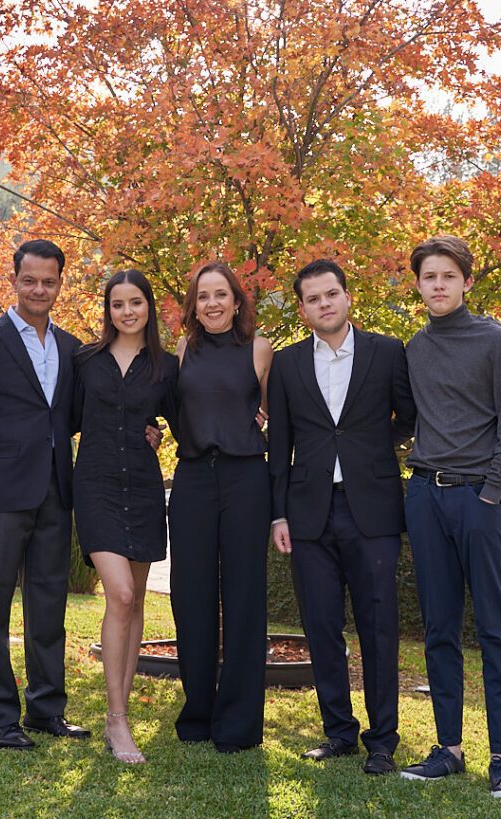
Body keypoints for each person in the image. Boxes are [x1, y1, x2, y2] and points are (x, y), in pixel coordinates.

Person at [268, 259, 416, 775]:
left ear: (347, 297)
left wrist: (371, 450)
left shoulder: (388, 351)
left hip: (370, 508)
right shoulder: (286, 366)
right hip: (308, 514)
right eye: (313, 299)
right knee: (321, 626)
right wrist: (278, 514)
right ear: (304, 309)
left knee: (379, 626)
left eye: (331, 294)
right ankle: (338, 733)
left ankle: (382, 740)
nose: (324, 304)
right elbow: (279, 445)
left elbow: (408, 417)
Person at [400, 235, 501, 799]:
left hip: (482, 500)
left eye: (448, 276)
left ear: (466, 282)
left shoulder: (494, 340)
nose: (438, 285)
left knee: (496, 631)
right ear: (418, 285)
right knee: (438, 629)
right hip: (427, 497)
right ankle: (449, 748)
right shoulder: (413, 348)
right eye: (428, 277)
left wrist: (492, 492)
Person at [0, 239, 90, 749]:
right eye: (30, 280)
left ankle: (46, 710)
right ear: (13, 281)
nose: (39, 289)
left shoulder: (71, 347)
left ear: (60, 283)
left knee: (49, 605)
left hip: (55, 491)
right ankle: (0, 718)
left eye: (49, 281)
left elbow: (78, 416)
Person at [72, 269, 179, 764]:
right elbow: (63, 418)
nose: (127, 311)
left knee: (134, 602)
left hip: (142, 487)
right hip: (94, 487)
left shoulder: (166, 366)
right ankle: (116, 721)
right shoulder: (85, 361)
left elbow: (188, 422)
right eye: (118, 304)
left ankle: (123, 710)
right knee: (119, 592)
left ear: (148, 307)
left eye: (136, 302)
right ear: (108, 310)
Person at [168, 260, 273, 753]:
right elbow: (171, 410)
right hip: (191, 479)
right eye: (203, 295)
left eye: (221, 294)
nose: (212, 303)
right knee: (190, 596)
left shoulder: (259, 350)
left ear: (236, 301)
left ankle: (238, 724)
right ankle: (198, 714)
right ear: (194, 305)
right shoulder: (183, 350)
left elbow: (273, 418)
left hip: (245, 478)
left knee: (244, 598)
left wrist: (267, 422)